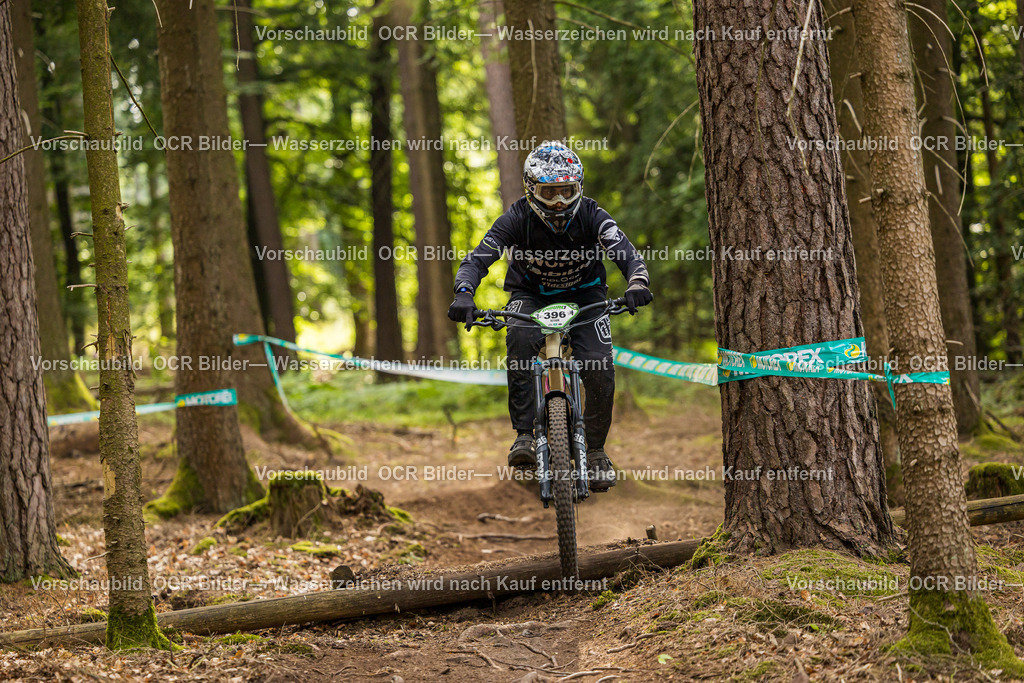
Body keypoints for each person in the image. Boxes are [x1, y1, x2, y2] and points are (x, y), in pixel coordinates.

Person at [447, 141, 652, 491]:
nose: (559, 201)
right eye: (549, 192)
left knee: (599, 366)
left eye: (566, 191)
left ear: (579, 188)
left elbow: (625, 252)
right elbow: (477, 259)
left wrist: (637, 282)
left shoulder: (592, 214)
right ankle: (524, 435)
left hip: (586, 296)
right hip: (530, 297)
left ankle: (597, 450)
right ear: (531, 190)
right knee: (519, 338)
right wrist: (464, 294)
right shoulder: (515, 218)